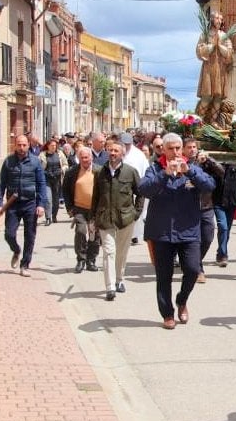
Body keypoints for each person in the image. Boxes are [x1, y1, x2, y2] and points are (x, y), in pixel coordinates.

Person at [139, 132, 215, 329]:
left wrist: (189, 171)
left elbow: (209, 185)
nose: (175, 152)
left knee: (192, 269)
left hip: (188, 230)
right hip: (162, 232)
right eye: (170, 148)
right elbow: (144, 189)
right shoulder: (155, 168)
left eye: (178, 148)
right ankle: (167, 314)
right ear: (163, 149)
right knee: (163, 276)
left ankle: (182, 299)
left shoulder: (193, 168)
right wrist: (164, 173)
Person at [92, 142, 145, 301]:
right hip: (105, 218)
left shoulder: (130, 172)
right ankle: (110, 287)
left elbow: (140, 194)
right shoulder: (100, 172)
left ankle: (119, 279)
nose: (113, 153)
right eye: (110, 150)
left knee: (121, 253)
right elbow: (95, 196)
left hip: (125, 218)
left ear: (122, 154)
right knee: (109, 251)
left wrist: (136, 213)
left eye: (116, 151)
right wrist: (92, 218)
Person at [0, 134, 48, 277]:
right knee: (9, 234)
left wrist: (41, 204)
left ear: (28, 145)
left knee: (30, 236)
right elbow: (1, 184)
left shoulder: (35, 162)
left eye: (24, 145)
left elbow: (41, 184)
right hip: (12, 204)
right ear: (15, 145)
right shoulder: (8, 162)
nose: (21, 147)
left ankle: (25, 265)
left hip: (30, 203)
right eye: (19, 144)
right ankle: (16, 250)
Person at [62, 147, 101, 273]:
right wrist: (69, 208)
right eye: (82, 157)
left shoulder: (99, 171)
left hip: (95, 210)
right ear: (78, 158)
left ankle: (91, 260)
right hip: (79, 209)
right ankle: (81, 259)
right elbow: (66, 191)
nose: (85, 160)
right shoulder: (72, 172)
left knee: (94, 236)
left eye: (87, 157)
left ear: (91, 157)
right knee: (80, 231)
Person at [195, 7, 234, 128]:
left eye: (221, 19)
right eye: (217, 18)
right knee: (207, 95)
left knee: (218, 96)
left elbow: (229, 53)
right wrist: (212, 45)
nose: (220, 21)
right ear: (212, 20)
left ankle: (213, 121)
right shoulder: (205, 35)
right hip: (208, 67)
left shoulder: (224, 36)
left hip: (220, 68)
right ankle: (199, 121)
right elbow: (199, 51)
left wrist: (219, 45)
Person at [184, 138, 215, 284]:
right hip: (190, 207)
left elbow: (220, 174)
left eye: (194, 147)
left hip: (206, 205)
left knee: (208, 237)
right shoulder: (183, 164)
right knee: (195, 240)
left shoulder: (205, 162)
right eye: (189, 147)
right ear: (184, 149)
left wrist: (210, 161)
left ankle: (194, 262)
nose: (192, 150)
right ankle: (198, 269)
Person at [120, 132, 149, 246]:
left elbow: (145, 170)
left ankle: (134, 235)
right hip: (122, 188)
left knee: (137, 213)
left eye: (128, 144)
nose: (126, 146)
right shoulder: (118, 151)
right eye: (124, 144)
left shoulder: (139, 155)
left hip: (136, 187)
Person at [38, 138, 68, 225]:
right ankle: (48, 217)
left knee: (56, 200)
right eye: (52, 145)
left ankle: (54, 215)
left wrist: (62, 170)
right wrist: (45, 172)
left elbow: (66, 164)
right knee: (48, 198)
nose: (54, 147)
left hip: (57, 179)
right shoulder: (42, 155)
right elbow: (38, 167)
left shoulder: (60, 154)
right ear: (48, 146)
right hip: (47, 179)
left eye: (55, 146)